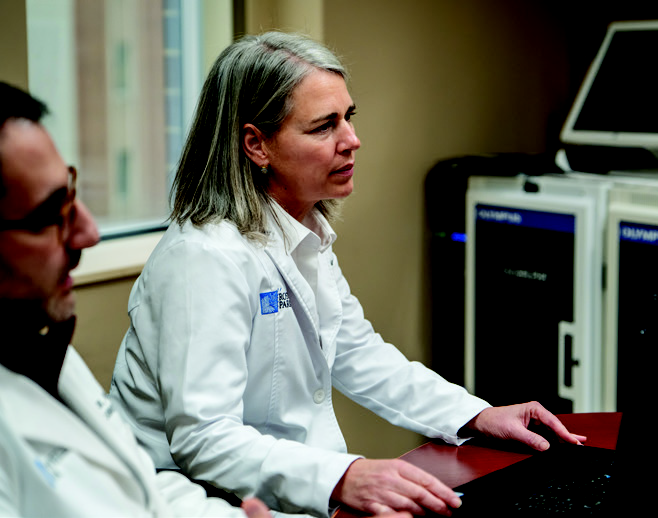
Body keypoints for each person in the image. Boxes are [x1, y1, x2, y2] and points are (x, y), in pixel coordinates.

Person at [109, 32, 587, 518]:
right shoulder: (203, 259)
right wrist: (342, 477)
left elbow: (358, 352)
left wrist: (476, 414)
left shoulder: (301, 228)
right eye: (323, 127)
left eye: (348, 118)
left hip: (283, 490)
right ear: (256, 145)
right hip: (194, 503)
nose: (351, 140)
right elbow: (204, 438)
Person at [0, 81, 276, 518]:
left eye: (73, 196)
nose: (88, 233)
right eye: (51, 215)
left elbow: (139, 486)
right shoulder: (199, 257)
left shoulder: (39, 343)